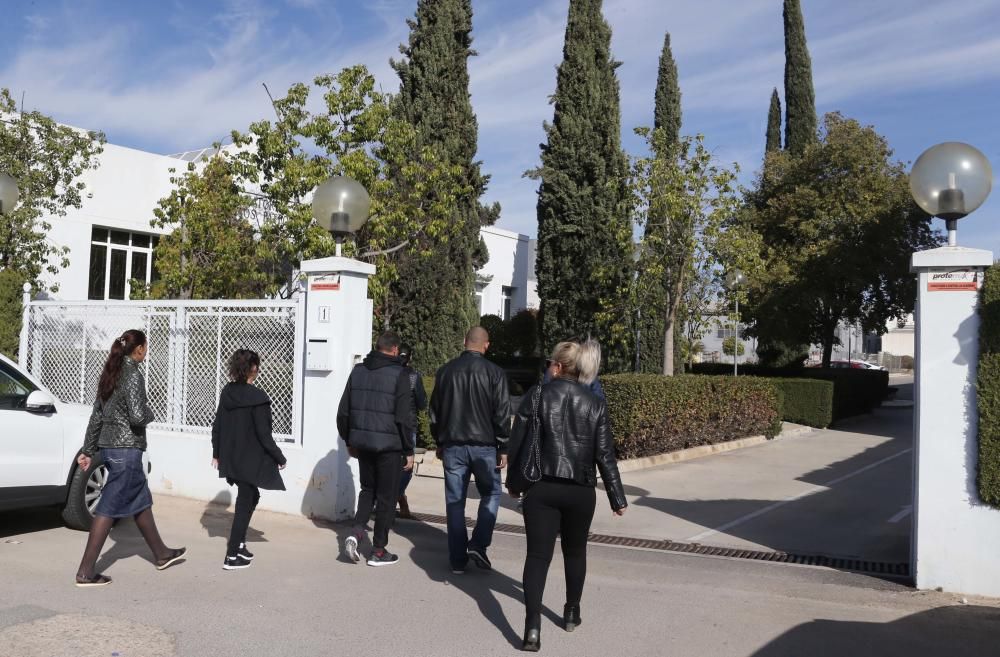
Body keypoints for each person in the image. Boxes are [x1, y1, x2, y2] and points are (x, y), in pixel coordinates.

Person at [507, 340, 627, 651]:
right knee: (575, 553)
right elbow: (605, 454)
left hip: (541, 487)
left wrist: (513, 483)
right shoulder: (595, 403)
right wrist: (617, 496)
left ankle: (532, 627)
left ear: (559, 367)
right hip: (581, 490)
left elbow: (518, 441)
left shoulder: (537, 396)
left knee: (537, 557)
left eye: (551, 363)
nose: (548, 367)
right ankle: (571, 612)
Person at [75, 329, 186, 587]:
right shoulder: (133, 374)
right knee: (108, 508)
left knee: (140, 501)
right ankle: (85, 572)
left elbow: (97, 417)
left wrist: (88, 450)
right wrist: (151, 412)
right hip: (128, 451)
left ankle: (161, 554)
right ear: (138, 349)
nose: (146, 350)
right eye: (145, 346)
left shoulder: (110, 374)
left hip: (111, 449)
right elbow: (137, 416)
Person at [430, 326, 511, 573]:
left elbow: (435, 413)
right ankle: (478, 543)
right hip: (485, 447)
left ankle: (457, 560)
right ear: (486, 345)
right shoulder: (495, 373)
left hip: (453, 446)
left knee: (455, 502)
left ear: (465, 342)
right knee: (492, 494)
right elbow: (502, 413)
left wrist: (440, 442)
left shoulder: (445, 372)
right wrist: (503, 446)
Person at [336, 331, 415, 566]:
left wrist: (349, 440)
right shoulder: (399, 374)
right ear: (394, 350)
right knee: (386, 497)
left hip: (363, 444)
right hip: (390, 447)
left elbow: (343, 412)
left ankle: (356, 532)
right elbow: (403, 417)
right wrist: (408, 450)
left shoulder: (358, 371)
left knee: (367, 490)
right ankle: (378, 551)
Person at [211, 349, 287, 571]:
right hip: (250, 460)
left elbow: (218, 426)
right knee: (245, 502)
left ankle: (240, 544)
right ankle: (232, 555)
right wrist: (279, 457)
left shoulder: (227, 392)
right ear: (253, 369)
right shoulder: (258, 398)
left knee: (252, 495)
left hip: (233, 458)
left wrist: (216, 453)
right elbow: (264, 435)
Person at [396, 342, 427, 519]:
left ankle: (394, 497)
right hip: (409, 426)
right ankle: (398, 496)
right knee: (407, 467)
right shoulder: (414, 376)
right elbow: (422, 403)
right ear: (411, 358)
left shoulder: (389, 373)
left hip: (390, 426)